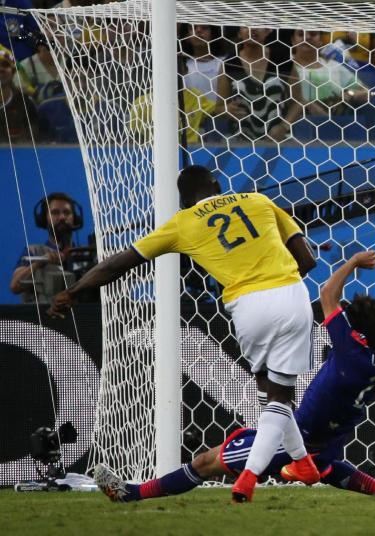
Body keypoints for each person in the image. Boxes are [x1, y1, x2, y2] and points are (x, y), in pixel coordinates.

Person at [92, 233, 375, 503]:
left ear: (355, 329)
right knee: (326, 465)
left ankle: (130, 495)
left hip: (294, 436)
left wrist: (352, 262)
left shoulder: (349, 348)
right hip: (327, 436)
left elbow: (326, 295)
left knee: (207, 462)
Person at [47, 165, 322, 503]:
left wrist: (73, 291)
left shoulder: (184, 222)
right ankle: (301, 463)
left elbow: (114, 265)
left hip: (246, 305)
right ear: (218, 186)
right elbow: (306, 260)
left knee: (270, 398)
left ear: (182, 200)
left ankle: (257, 475)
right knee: (277, 398)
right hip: (288, 292)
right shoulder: (259, 200)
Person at [10, 192, 91, 304]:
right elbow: (15, 286)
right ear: (44, 218)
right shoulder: (34, 251)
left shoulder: (87, 254)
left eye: (67, 212)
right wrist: (39, 263)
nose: (62, 217)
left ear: (75, 218)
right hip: (43, 318)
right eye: (55, 213)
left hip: (86, 318)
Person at [291, 29, 368, 117]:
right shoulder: (287, 67)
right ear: (293, 40)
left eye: (313, 34)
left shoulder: (334, 66)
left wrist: (349, 95)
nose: (307, 37)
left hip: (335, 124)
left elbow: (366, 93)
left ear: (320, 41)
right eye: (301, 34)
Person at [0, 46, 42, 143]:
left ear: (13, 72)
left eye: (5, 65)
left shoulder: (26, 103)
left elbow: (34, 139)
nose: (1, 69)